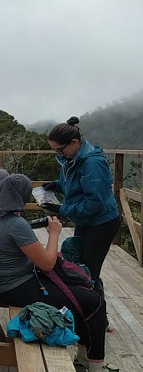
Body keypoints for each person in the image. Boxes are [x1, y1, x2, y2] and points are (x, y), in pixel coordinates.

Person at [0, 174, 134, 372]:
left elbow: (13, 241)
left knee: (85, 296)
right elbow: (46, 263)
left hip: (8, 284)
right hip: (18, 287)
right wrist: (54, 234)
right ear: (23, 195)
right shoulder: (16, 224)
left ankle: (86, 359)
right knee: (95, 302)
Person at [40, 116, 120, 301]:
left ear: (74, 142)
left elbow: (95, 202)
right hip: (86, 220)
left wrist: (62, 209)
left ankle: (98, 317)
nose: (59, 154)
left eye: (60, 149)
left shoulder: (92, 163)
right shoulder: (71, 157)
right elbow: (73, 184)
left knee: (90, 270)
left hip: (102, 222)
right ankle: (89, 311)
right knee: (80, 265)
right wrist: (56, 185)